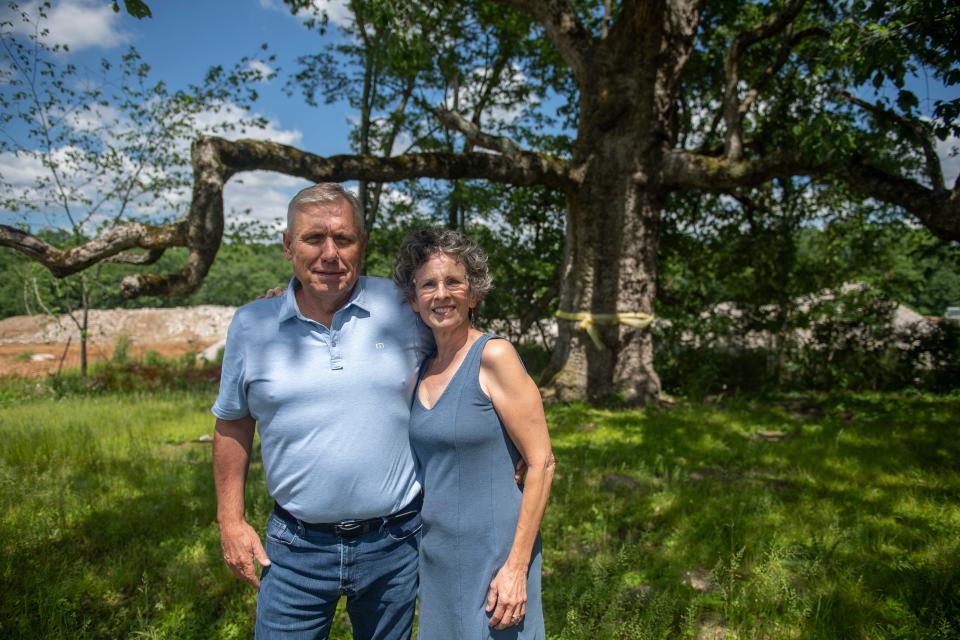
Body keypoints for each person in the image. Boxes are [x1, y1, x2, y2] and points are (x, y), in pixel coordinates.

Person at [211, 183, 432, 640]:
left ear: (362, 246)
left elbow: (468, 365)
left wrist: (510, 446)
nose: (329, 253)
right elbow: (233, 421)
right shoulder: (253, 324)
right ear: (289, 246)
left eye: (343, 239)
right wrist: (230, 520)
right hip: (295, 548)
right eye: (313, 239)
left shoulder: (405, 307)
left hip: (395, 543)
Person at [393, 228, 556, 639]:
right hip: (437, 553)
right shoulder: (422, 365)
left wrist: (517, 566)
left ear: (474, 294)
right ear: (413, 300)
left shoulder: (493, 356)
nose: (441, 294)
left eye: (454, 282)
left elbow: (541, 463)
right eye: (428, 284)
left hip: (496, 553)